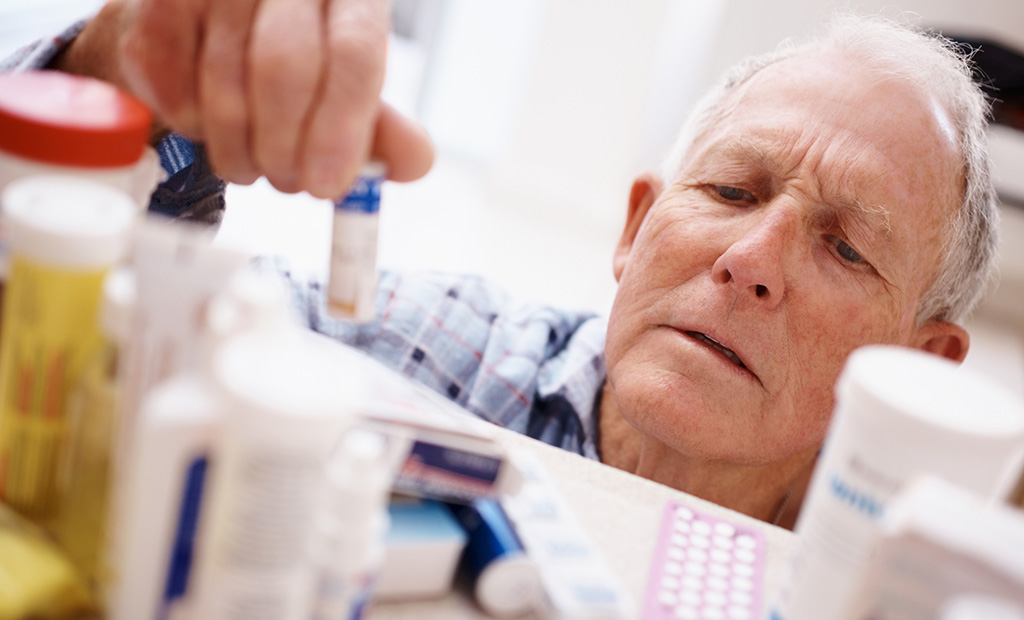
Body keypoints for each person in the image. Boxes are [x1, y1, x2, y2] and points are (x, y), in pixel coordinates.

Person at [4, 4, 999, 528]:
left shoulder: (900, 571)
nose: (750, 262)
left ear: (921, 364)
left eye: (845, 246)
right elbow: (64, 347)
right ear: (635, 225)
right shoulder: (428, 354)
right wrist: (108, 84)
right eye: (732, 190)